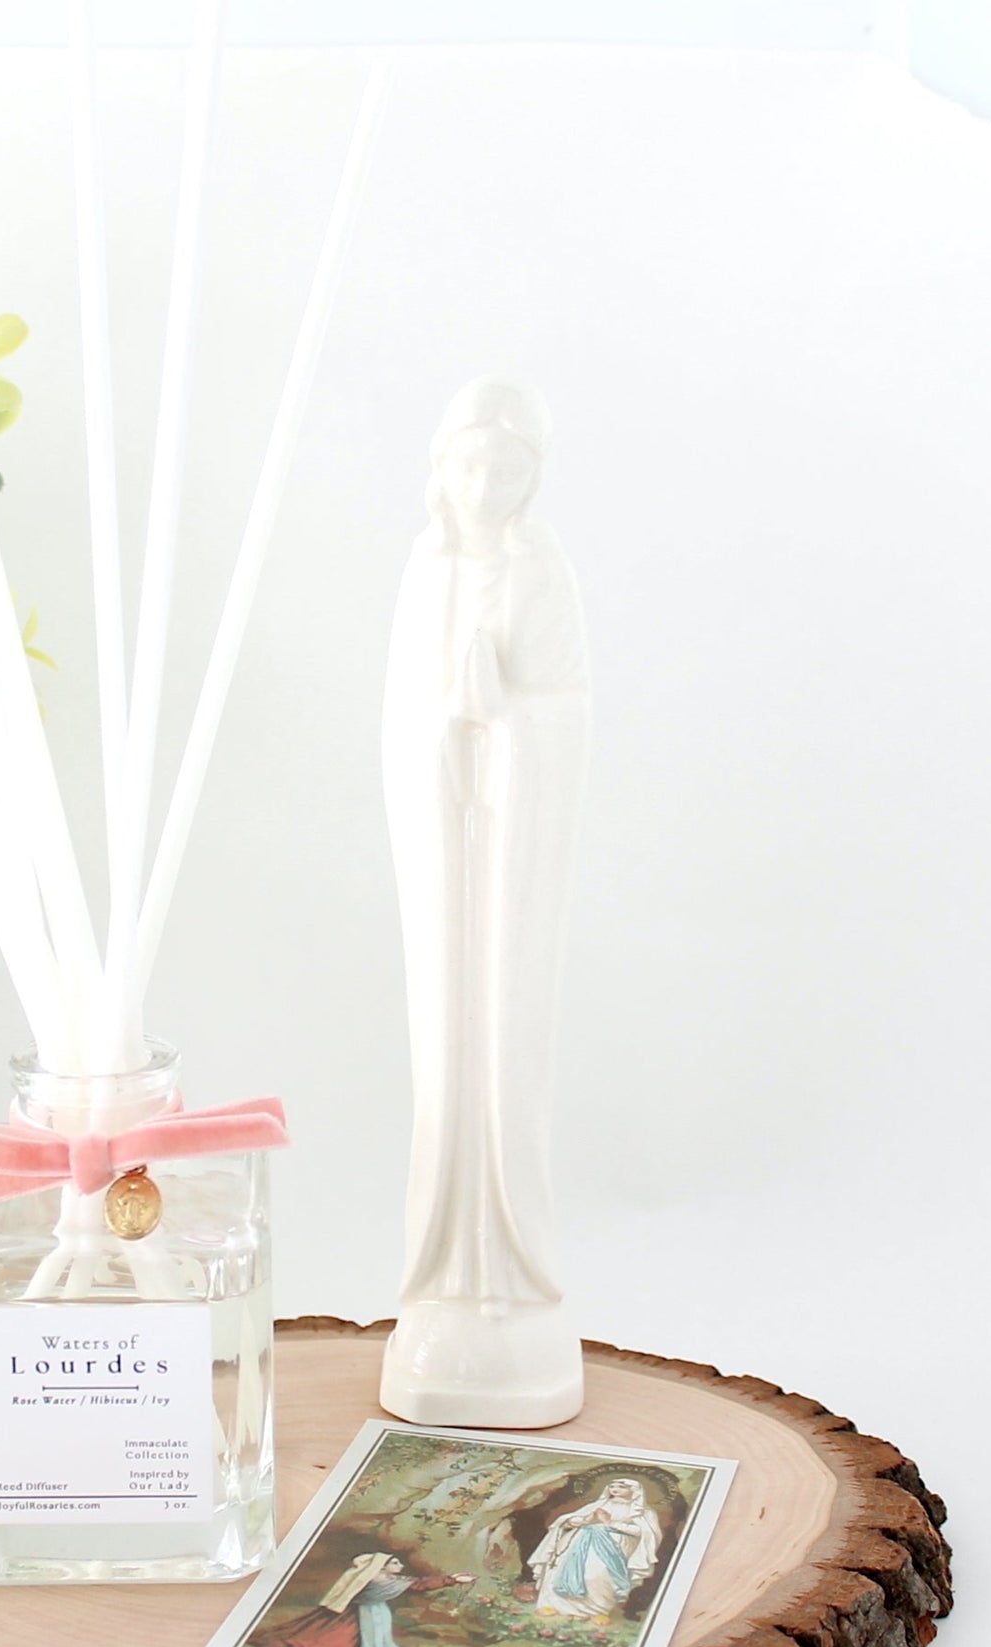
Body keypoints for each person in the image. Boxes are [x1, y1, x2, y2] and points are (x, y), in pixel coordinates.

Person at [380, 378, 591, 1427]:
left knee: (505, 1042)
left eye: (503, 469)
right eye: (467, 464)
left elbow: (566, 707)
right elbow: (396, 715)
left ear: (526, 480)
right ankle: (440, 1277)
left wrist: (504, 722)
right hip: (442, 840)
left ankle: (510, 1273)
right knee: (445, 1045)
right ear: (440, 468)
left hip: (507, 841)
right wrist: (444, 727)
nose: (482, 485)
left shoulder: (537, 568)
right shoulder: (424, 571)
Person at [251, 1552, 474, 1647]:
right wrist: (450, 1580)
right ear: (383, 1565)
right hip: (359, 1614)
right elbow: (418, 1584)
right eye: (395, 1563)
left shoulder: (387, 1578)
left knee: (327, 1636)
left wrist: (451, 1579)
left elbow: (416, 1582)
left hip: (369, 1612)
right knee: (326, 1640)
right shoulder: (378, 1581)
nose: (400, 1566)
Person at [528, 1479, 661, 1620]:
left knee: (596, 1576)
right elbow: (568, 1521)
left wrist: (610, 1523)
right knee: (560, 1570)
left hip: (614, 1548)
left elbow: (644, 1532)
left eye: (621, 1487)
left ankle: (592, 1612)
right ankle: (555, 1607)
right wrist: (587, 1519)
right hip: (581, 1542)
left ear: (634, 1490)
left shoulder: (641, 1511)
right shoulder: (599, 1504)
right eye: (612, 1486)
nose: (615, 1489)